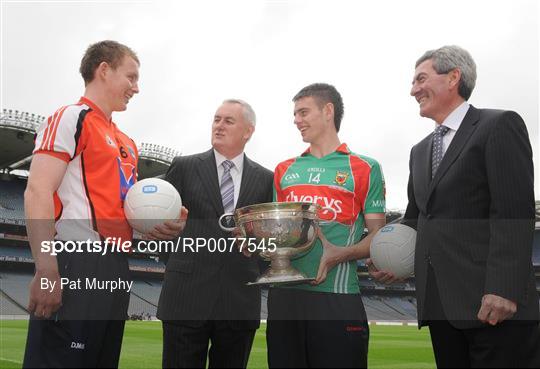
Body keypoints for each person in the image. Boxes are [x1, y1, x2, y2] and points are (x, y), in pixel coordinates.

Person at [371, 45, 539, 368]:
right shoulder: (419, 152)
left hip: (495, 306)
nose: (413, 90)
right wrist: (387, 256)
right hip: (441, 311)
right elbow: (416, 219)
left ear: (453, 78)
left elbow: (513, 212)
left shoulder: (499, 126)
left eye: (421, 79)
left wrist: (503, 288)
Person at [23, 40, 151, 368]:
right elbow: (37, 191)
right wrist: (47, 270)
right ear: (104, 70)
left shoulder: (127, 142)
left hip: (116, 265)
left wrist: (157, 222)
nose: (136, 88)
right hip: (75, 259)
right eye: (131, 77)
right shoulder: (71, 117)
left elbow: (124, 209)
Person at [268, 83, 386, 368]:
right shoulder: (284, 169)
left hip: (336, 297)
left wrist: (339, 255)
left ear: (328, 111)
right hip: (285, 299)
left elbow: (379, 237)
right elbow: (275, 233)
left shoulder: (364, 167)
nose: (297, 120)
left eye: (303, 112)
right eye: (295, 114)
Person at [157, 99, 273, 368]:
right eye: (216, 119)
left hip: (239, 300)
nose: (219, 126)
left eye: (228, 121)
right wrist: (182, 264)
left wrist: (253, 252)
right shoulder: (183, 166)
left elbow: (268, 237)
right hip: (185, 298)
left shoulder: (266, 179)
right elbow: (163, 226)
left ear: (248, 131)